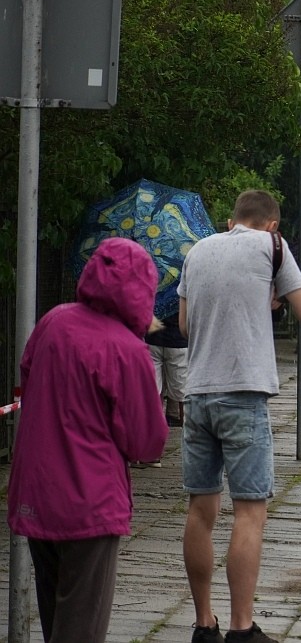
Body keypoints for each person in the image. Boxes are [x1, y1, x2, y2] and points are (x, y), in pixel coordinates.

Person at [7, 237, 169, 642]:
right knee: (80, 627)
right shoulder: (127, 350)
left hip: (36, 495)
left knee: (54, 620)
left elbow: (26, 379)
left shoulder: (54, 321)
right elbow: (146, 440)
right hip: (89, 504)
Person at [177, 189, 301, 643]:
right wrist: (273, 295)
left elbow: (183, 326)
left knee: (200, 510)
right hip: (243, 394)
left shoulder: (197, 250)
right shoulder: (271, 247)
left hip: (197, 395)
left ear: (231, 218)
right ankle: (242, 629)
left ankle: (204, 624)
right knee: (248, 513)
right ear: (272, 224)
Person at [146, 311, 188, 429]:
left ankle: (155, 431)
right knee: (182, 393)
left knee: (154, 390)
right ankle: (186, 433)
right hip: (178, 341)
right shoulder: (182, 292)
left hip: (153, 338)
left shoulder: (153, 292)